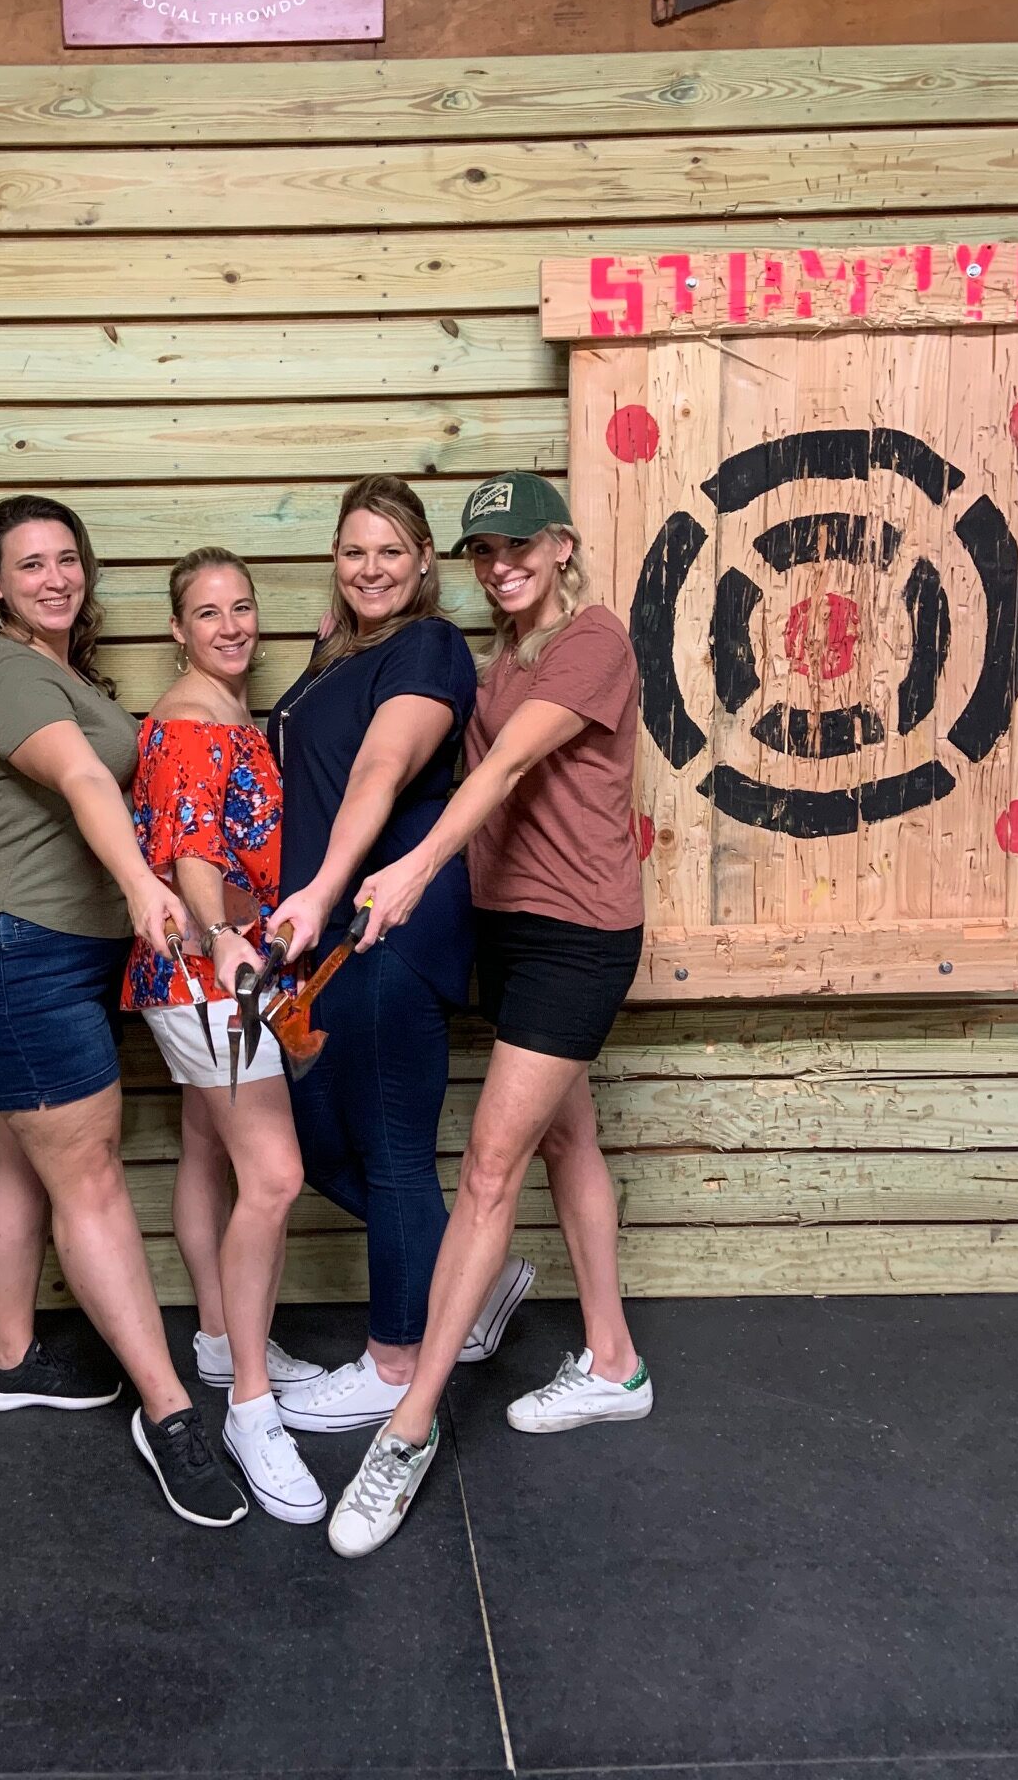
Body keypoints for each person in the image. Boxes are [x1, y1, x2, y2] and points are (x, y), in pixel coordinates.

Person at [325, 472, 652, 1558]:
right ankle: (614, 1363)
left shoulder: (592, 640)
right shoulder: (501, 653)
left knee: (488, 1170)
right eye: (483, 551)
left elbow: (510, 763)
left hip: (578, 935)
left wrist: (415, 867)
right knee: (569, 1140)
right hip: (513, 928)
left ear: (560, 544)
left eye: (519, 545)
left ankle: (407, 1430)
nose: (501, 563)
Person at [0, 493, 248, 1530]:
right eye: (31, 564)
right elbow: (85, 786)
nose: (55, 577)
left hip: (45, 952)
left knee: (27, 1153)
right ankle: (171, 1412)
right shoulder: (10, 672)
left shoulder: (64, 673)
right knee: (91, 1174)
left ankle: (10, 1358)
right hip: (13, 952)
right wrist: (147, 889)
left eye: (68, 560)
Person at [265, 475, 534, 1437]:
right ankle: (478, 1273)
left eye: (390, 550)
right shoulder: (332, 653)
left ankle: (394, 1362)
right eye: (352, 550)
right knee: (312, 1142)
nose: (370, 567)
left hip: (387, 920)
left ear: (424, 563)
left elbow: (379, 771)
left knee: (388, 1148)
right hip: (323, 933)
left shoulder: (428, 645)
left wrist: (321, 892)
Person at [123, 547, 327, 1525]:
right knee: (275, 1176)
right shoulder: (196, 722)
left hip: (203, 974)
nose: (232, 625)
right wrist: (223, 942)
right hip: (212, 977)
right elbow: (197, 852)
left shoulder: (225, 708)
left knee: (208, 1145)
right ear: (178, 629)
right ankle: (250, 1405)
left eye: (242, 606)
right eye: (209, 613)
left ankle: (216, 1337)